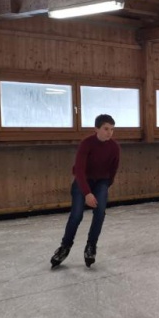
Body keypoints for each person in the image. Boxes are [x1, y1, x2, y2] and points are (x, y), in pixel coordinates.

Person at [50, 114, 121, 269]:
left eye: (112, 129)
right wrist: (87, 193)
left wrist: (105, 185)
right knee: (76, 215)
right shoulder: (86, 144)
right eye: (106, 129)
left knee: (100, 212)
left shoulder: (114, 147)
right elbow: (80, 171)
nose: (109, 132)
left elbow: (113, 169)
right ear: (97, 129)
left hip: (101, 181)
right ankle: (65, 247)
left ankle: (91, 246)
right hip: (83, 181)